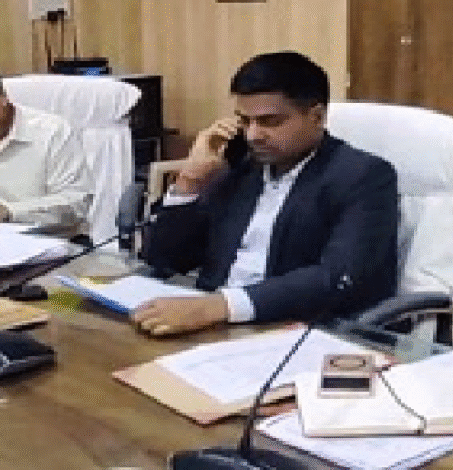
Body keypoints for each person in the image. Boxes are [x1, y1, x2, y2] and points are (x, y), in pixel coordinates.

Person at [134, 51, 398, 335]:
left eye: (270, 122)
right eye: (245, 121)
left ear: (317, 117)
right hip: (210, 324)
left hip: (290, 329)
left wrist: (220, 306)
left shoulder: (363, 175)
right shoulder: (241, 169)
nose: (253, 135)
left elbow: (337, 277)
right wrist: (190, 180)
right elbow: (163, 258)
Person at [0, 61, 92, 230]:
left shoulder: (52, 132)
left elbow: (77, 203)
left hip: (43, 239)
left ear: (0, 96)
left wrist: (6, 211)